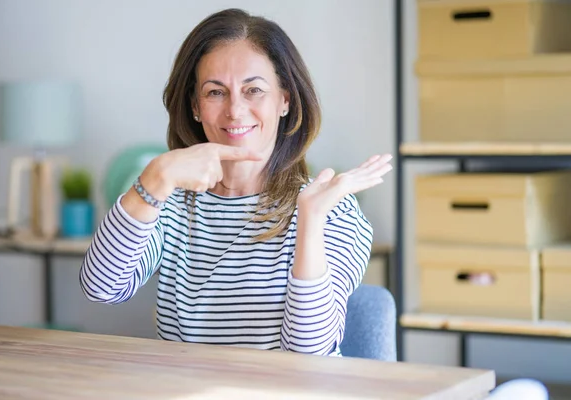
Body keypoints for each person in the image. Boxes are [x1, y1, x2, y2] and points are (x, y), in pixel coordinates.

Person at [79, 8, 392, 357]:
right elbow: (101, 287)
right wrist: (155, 177)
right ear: (195, 106)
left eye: (253, 90)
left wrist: (310, 222)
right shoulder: (167, 202)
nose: (235, 110)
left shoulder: (331, 210)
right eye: (215, 92)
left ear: (284, 100)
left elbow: (309, 353)